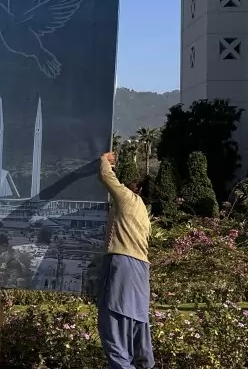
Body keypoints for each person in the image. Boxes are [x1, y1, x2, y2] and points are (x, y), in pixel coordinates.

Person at [96, 152, 154, 368]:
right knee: (137, 326)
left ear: (137, 190)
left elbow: (105, 176)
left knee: (113, 327)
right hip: (140, 271)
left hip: (122, 266)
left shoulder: (129, 198)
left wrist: (105, 160)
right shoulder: (143, 214)